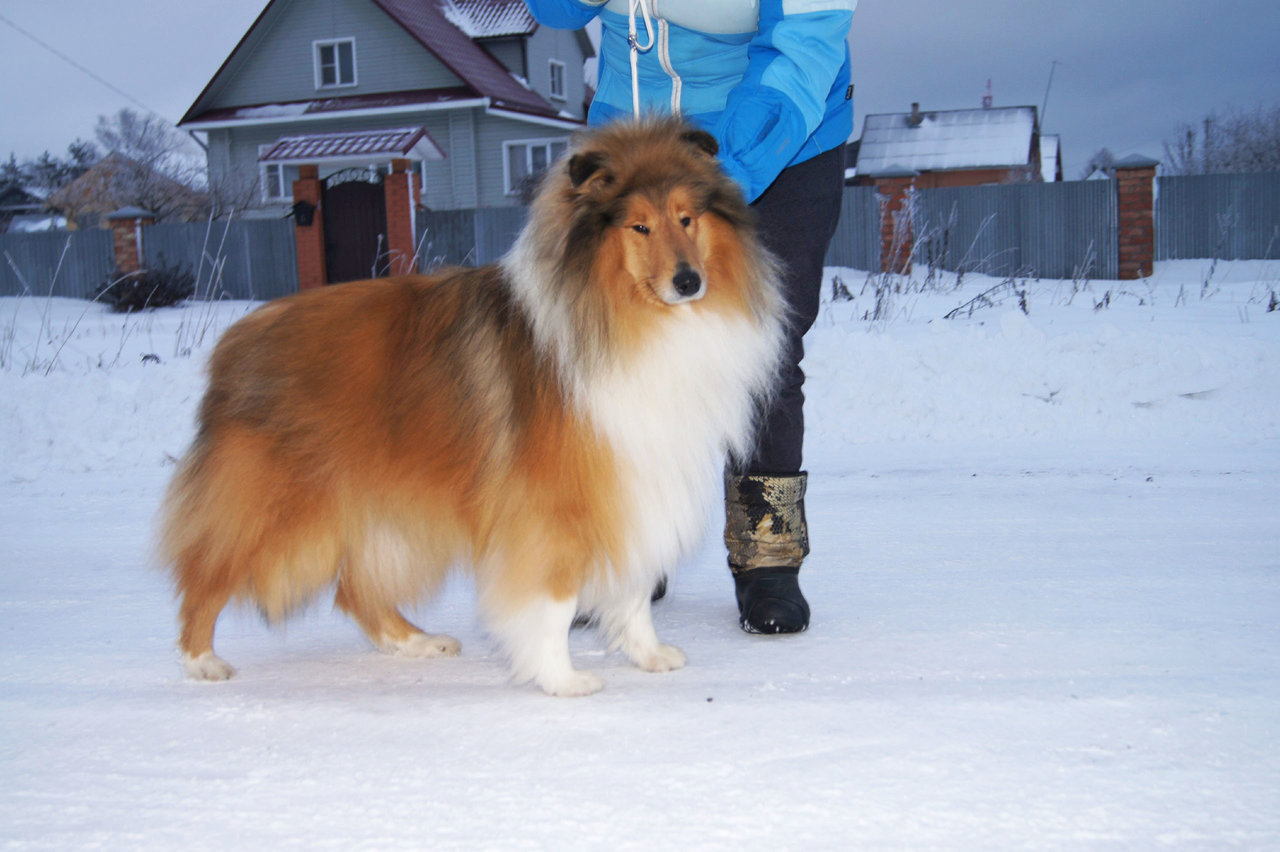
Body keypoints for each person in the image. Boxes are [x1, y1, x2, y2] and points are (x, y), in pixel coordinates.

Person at [523, 0, 857, 634]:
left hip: (780, 126)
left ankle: (768, 556)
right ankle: (631, 548)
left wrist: (729, 170)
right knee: (622, 352)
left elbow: (807, 34)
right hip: (636, 124)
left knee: (764, 352)